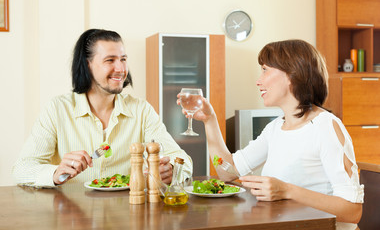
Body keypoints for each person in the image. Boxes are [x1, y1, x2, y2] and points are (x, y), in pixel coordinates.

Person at [178, 39, 363, 229]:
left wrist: (286, 190)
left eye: (265, 69)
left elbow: (352, 211)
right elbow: (228, 171)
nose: (258, 80)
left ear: (292, 74)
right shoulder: (275, 128)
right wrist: (209, 120)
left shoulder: (326, 126)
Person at [13, 29, 193, 187]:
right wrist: (55, 173)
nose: (121, 68)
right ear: (87, 64)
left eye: (123, 59)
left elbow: (182, 158)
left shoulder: (141, 110)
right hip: (73, 218)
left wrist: (172, 171)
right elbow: (22, 169)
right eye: (110, 60)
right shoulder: (57, 109)